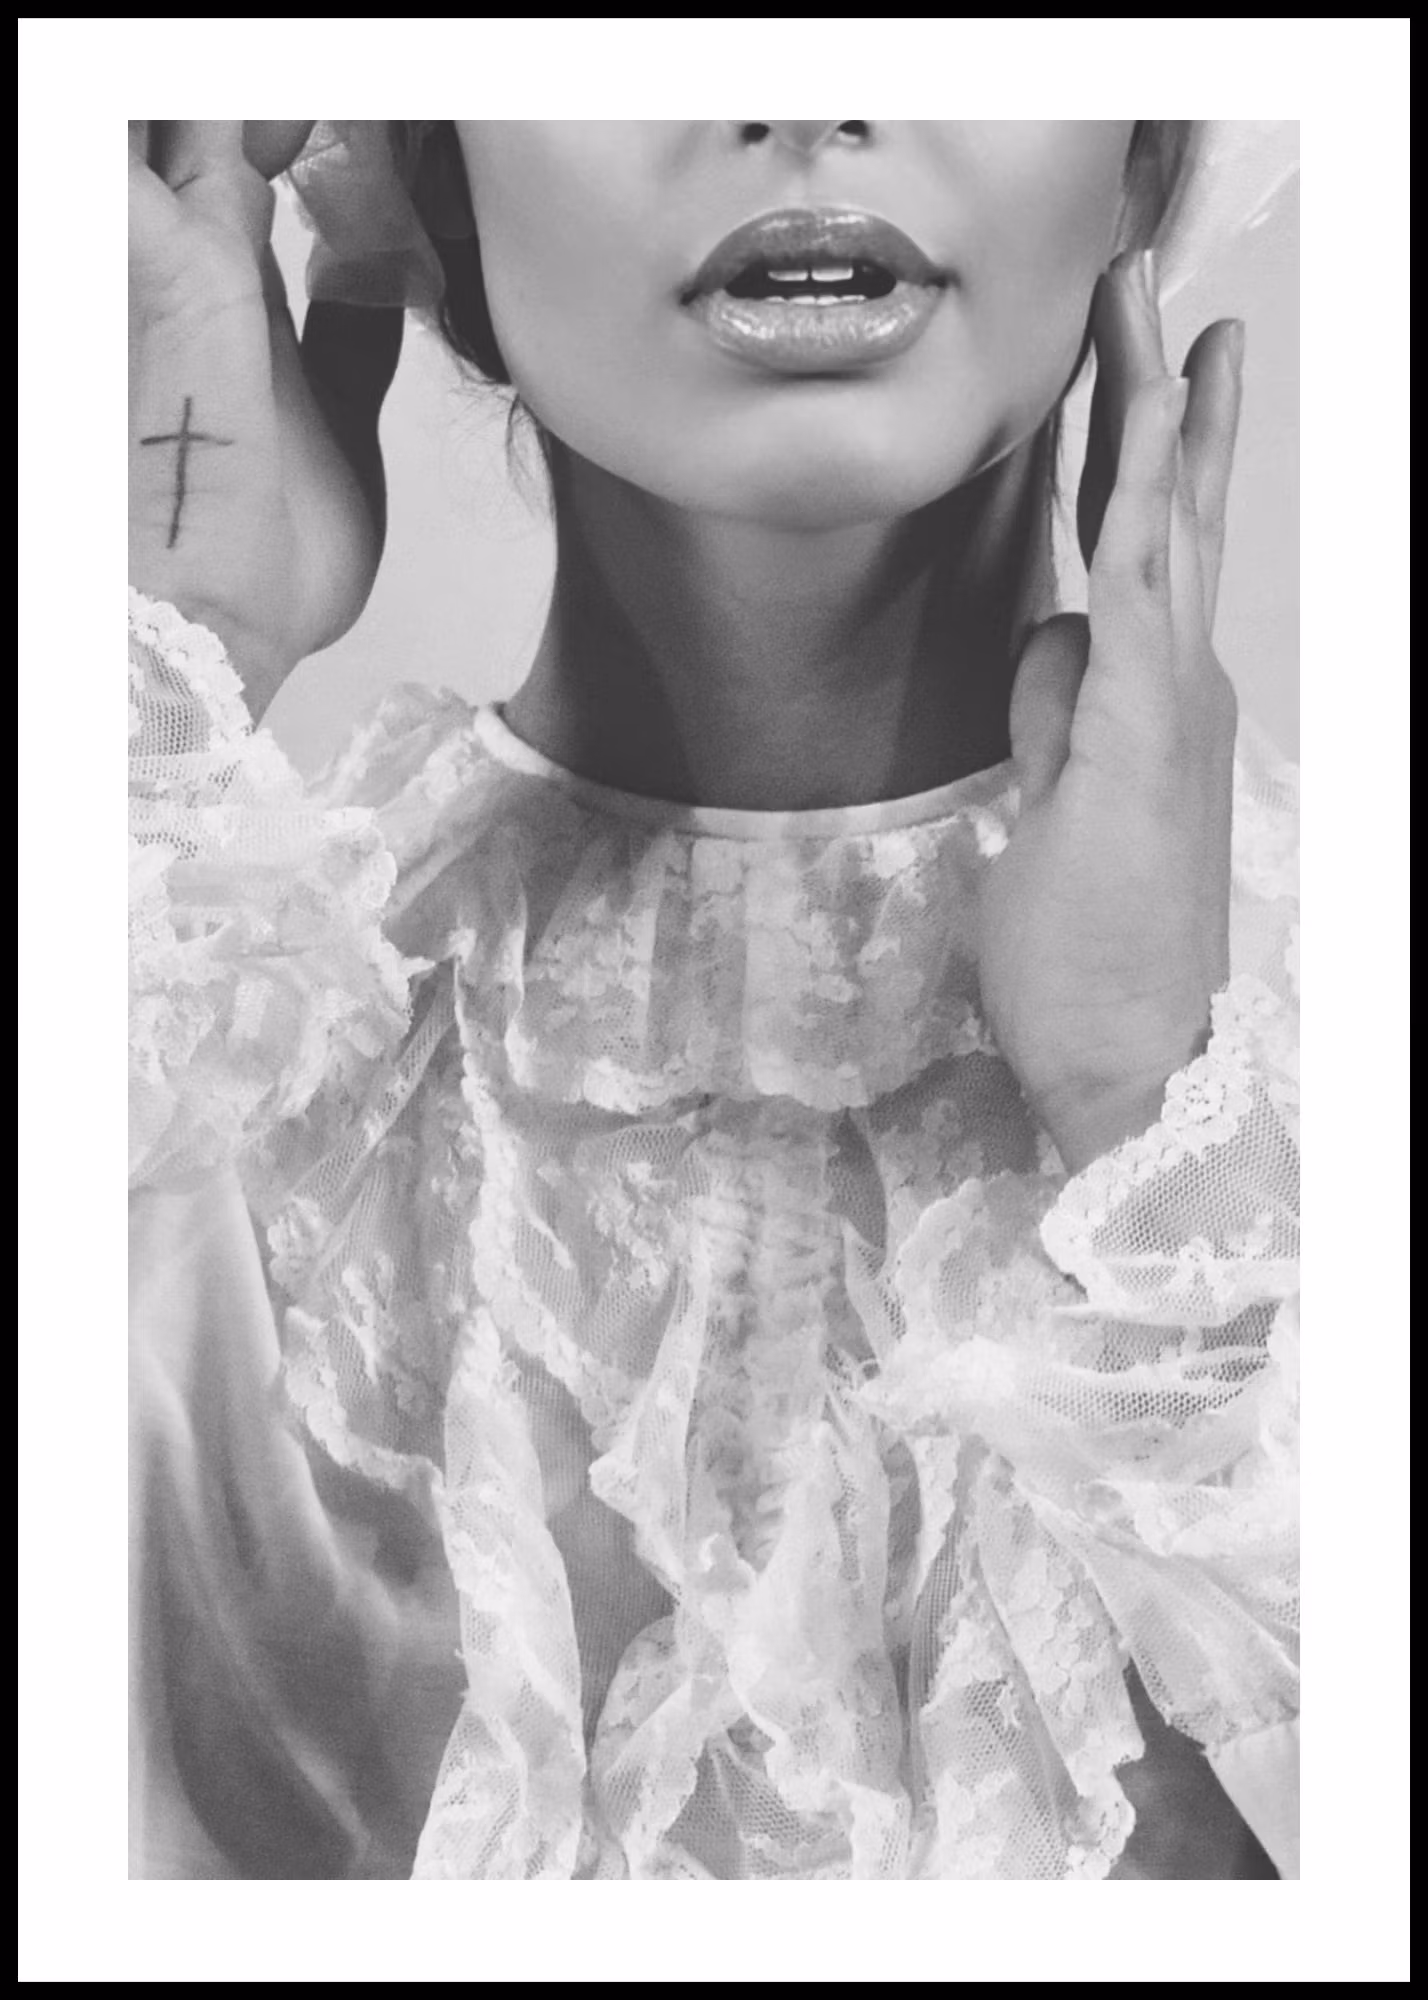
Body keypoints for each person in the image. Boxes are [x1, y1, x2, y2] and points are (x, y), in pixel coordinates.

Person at [127, 119, 1300, 1881]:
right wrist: (162, 689)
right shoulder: (183, 1032)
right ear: (434, 180)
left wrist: (1162, 1128)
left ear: (1145, 162)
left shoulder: (1311, 1040)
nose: (803, 89)